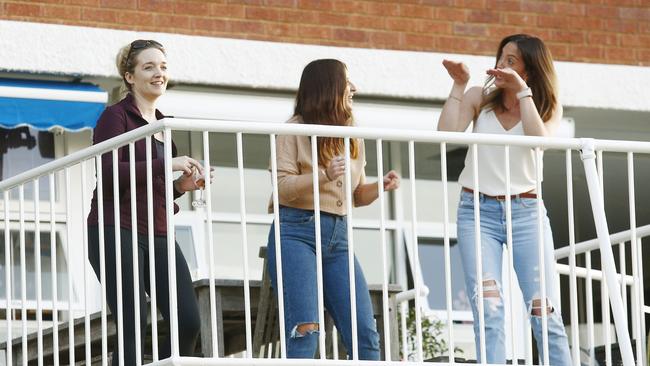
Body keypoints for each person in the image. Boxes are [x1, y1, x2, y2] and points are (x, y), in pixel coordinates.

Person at [437, 34, 572, 364]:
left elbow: (539, 143)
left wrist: (523, 92)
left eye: (512, 61)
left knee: (544, 309)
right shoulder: (478, 97)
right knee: (489, 307)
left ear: (530, 69)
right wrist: (459, 85)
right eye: (501, 58)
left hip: (526, 212)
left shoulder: (546, 104)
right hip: (477, 213)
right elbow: (444, 135)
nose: (502, 65)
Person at [266, 59, 400, 360]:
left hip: (338, 238)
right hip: (296, 232)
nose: (354, 88)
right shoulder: (293, 130)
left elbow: (355, 195)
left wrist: (381, 186)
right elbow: (283, 188)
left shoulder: (350, 134)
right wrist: (323, 175)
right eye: (347, 81)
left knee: (365, 334)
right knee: (306, 329)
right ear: (329, 87)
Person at [87, 39, 202, 364]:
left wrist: (182, 185)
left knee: (188, 322)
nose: (158, 73)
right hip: (115, 227)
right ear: (129, 76)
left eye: (163, 67)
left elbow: (155, 188)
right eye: (148, 67)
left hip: (159, 230)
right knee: (133, 321)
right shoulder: (116, 116)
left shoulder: (166, 128)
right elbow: (108, 173)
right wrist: (167, 165)